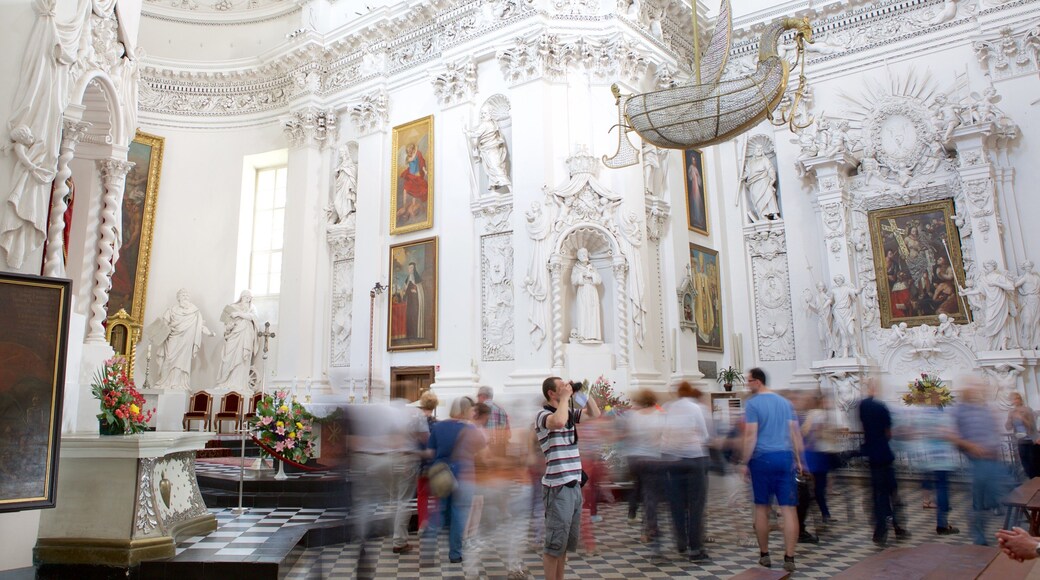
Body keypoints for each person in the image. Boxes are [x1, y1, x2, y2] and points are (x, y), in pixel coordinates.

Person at [740, 368, 805, 573]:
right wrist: (799, 458)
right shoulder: (785, 403)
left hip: (762, 458)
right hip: (785, 457)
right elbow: (795, 432)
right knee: (788, 509)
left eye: (748, 381)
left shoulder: (753, 404)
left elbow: (751, 436)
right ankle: (790, 556)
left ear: (757, 382)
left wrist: (744, 461)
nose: (746, 384)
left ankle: (765, 554)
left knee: (762, 507)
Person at [536, 377, 601, 580]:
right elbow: (559, 421)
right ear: (551, 394)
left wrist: (582, 393)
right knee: (554, 543)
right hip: (557, 487)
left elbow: (595, 414)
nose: (566, 388)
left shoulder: (569, 412)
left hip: (573, 485)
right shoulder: (543, 415)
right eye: (561, 387)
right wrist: (565, 398)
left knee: (563, 544)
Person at [950, 375, 1014, 545]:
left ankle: (1014, 533)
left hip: (994, 460)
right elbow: (951, 434)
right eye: (975, 386)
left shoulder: (986, 409)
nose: (979, 389)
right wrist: (970, 446)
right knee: (979, 503)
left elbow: (995, 430)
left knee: (1008, 494)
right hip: (978, 462)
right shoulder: (959, 410)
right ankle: (979, 538)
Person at [424, 396, 485, 565]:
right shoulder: (471, 429)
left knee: (439, 512)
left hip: (441, 474)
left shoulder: (438, 426)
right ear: (466, 410)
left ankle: (428, 551)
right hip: (464, 474)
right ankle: (455, 554)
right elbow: (482, 450)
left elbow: (430, 452)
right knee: (459, 514)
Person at [663, 381, 711, 562]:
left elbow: (664, 434)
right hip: (694, 459)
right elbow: (704, 434)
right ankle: (696, 549)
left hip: (673, 460)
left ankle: (681, 541)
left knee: (676, 504)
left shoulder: (669, 408)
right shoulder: (695, 407)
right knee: (696, 506)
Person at [858, 378, 908, 546]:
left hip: (872, 455)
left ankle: (881, 530)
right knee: (892, 493)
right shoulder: (881, 407)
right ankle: (897, 525)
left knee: (878, 495)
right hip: (885, 455)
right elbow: (888, 432)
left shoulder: (863, 406)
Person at [622, 389, 665, 557]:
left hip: (634, 459)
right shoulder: (659, 415)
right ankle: (648, 531)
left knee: (639, 487)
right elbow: (661, 437)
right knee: (650, 497)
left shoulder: (633, 416)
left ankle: (634, 512)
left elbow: (628, 436)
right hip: (652, 459)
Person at [154, 289, 215, 391]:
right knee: (168, 359)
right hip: (173, 338)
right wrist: (156, 335)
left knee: (182, 362)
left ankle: (179, 384)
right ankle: (164, 382)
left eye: (187, 295)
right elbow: (164, 324)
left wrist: (209, 333)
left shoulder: (195, 311)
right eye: (183, 295)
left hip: (186, 341)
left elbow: (199, 326)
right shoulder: (171, 310)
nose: (185, 297)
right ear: (178, 297)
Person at [215, 290, 261, 391]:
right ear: (241, 297)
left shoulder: (252, 309)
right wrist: (229, 327)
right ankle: (226, 382)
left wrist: (239, 314)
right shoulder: (233, 307)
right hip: (233, 336)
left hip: (246, 337)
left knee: (242, 360)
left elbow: (254, 318)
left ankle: (239, 384)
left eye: (249, 298)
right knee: (228, 358)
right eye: (245, 297)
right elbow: (226, 325)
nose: (247, 299)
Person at [466, 109, 511, 191]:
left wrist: (466, 132)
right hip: (489, 149)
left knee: (495, 167)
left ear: (490, 115)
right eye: (482, 113)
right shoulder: (493, 124)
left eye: (485, 113)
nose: (483, 115)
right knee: (492, 168)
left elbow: (476, 134)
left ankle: (508, 185)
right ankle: (493, 188)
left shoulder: (486, 125)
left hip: (490, 149)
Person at [416, 390, 439, 533]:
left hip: (420, 463)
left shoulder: (415, 422)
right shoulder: (438, 424)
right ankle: (434, 524)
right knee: (436, 495)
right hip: (435, 463)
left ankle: (422, 524)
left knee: (422, 496)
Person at [571, 248, 602, 342]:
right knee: (583, 311)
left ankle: (593, 335)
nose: (584, 255)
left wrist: (592, 275)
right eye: (582, 254)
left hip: (592, 290)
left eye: (585, 253)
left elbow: (599, 280)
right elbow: (573, 280)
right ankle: (583, 335)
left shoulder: (592, 267)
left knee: (593, 312)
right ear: (578, 256)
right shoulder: (576, 268)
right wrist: (582, 275)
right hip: (583, 290)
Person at [1006, 392, 1038, 479]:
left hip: (1031, 440)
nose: (1015, 401)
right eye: (1013, 399)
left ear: (1020, 400)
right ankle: (1032, 482)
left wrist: (1022, 418)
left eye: (1017, 398)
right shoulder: (1011, 412)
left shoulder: (1027, 410)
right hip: (1020, 441)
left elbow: (1032, 426)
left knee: (1034, 464)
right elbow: (1008, 427)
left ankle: (1036, 482)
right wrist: (1010, 420)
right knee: (1025, 464)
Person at [398, 142, 428, 223]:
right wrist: (416, 150)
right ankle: (404, 206)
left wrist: (425, 171)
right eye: (408, 151)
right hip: (410, 176)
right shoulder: (408, 158)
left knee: (415, 191)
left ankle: (413, 205)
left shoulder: (417, 155)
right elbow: (412, 158)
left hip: (417, 176)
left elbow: (422, 163)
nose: (409, 153)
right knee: (406, 189)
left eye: (410, 151)